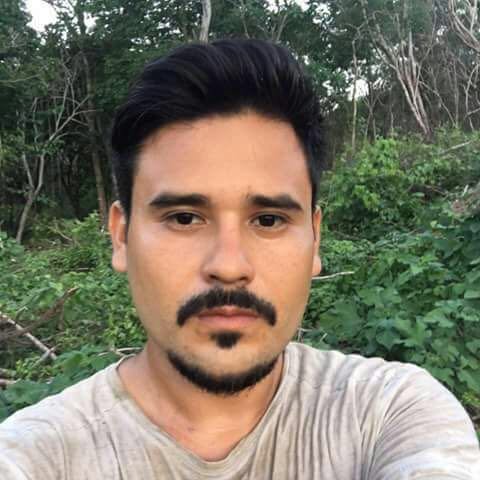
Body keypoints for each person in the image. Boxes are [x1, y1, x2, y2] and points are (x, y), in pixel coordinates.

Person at [1, 38, 479, 480]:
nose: (229, 267)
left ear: (315, 239)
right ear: (121, 236)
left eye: (268, 220)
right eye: (185, 218)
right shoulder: (37, 456)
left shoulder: (387, 413)